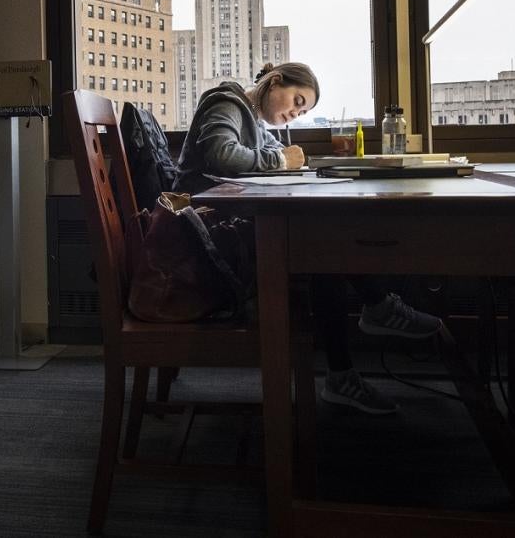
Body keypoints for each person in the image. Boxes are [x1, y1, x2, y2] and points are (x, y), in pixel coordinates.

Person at [174, 62, 442, 414]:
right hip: (203, 240)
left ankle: (356, 348)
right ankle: (372, 319)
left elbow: (285, 160)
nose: (293, 114)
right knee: (319, 248)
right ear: (275, 81)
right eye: (296, 101)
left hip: (226, 230)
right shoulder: (226, 103)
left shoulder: (253, 118)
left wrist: (292, 162)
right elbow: (222, 155)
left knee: (320, 245)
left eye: (301, 112)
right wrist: (280, 161)